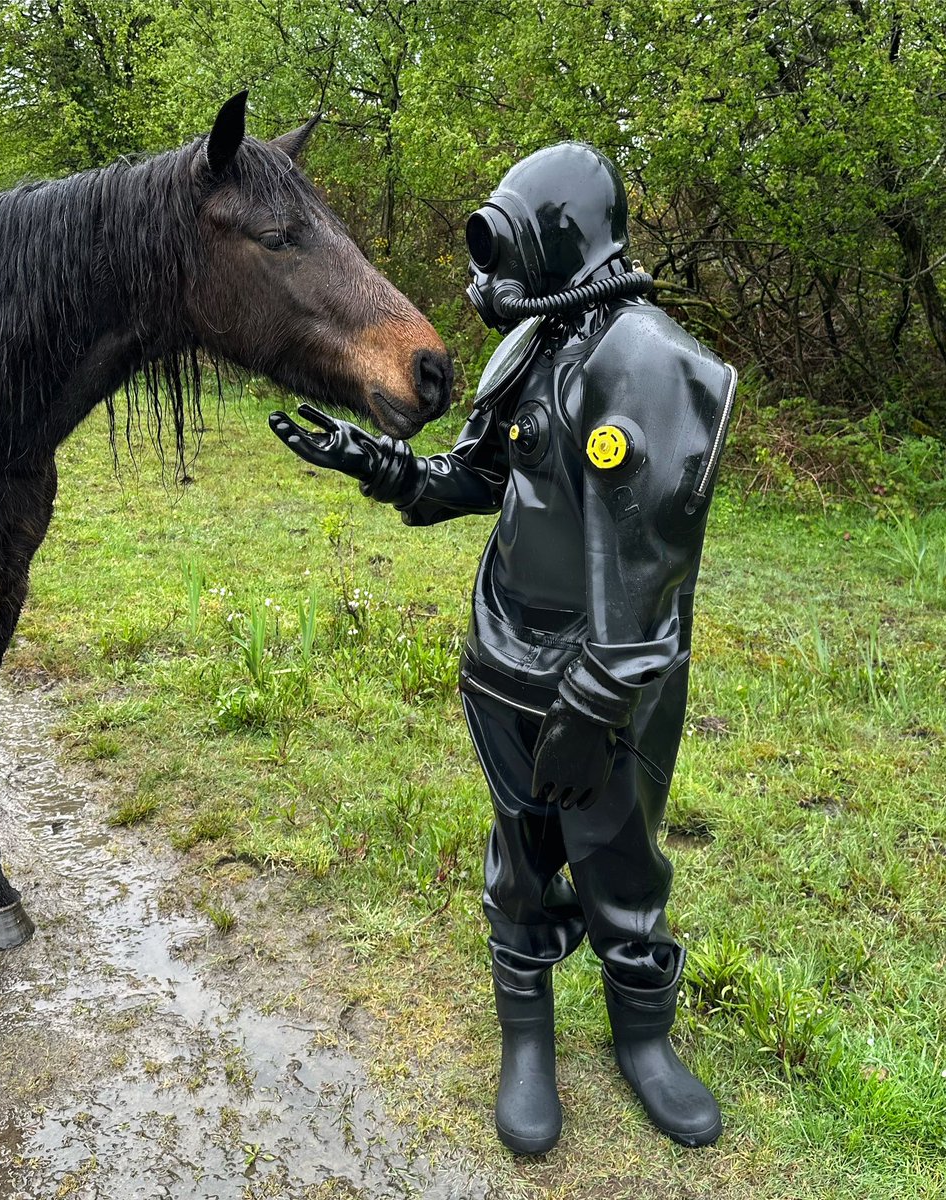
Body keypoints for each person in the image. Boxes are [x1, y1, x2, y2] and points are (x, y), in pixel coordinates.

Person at [269, 142, 736, 1155]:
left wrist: (598, 702)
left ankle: (642, 1042)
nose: (489, 279)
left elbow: (646, 563)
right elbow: (478, 481)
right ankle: (528, 1040)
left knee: (618, 856)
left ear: (563, 237)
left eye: (506, 245)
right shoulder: (530, 346)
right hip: (506, 658)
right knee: (520, 858)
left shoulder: (647, 363)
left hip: (607, 675)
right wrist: (377, 464)